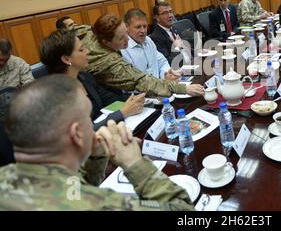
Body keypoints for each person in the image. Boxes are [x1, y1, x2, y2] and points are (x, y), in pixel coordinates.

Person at [0, 75, 194, 210]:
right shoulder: (100, 205)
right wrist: (135, 164)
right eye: (88, 117)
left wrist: (96, 156)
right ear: (77, 133)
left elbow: (72, 189)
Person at [75, 14, 204, 98]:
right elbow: (141, 81)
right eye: (121, 38)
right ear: (106, 42)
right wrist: (184, 88)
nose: (127, 40)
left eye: (126, 33)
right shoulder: (110, 61)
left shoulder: (87, 30)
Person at [40, 30, 145, 130]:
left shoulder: (84, 77)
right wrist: (122, 113)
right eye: (81, 50)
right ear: (67, 59)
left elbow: (111, 99)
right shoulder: (55, 96)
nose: (88, 51)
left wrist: (138, 99)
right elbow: (81, 132)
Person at [121, 8, 181, 81]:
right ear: (126, 27)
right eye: (138, 27)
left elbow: (162, 62)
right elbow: (132, 80)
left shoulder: (148, 41)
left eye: (145, 26)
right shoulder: (123, 49)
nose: (143, 31)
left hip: (160, 86)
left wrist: (166, 75)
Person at [150, 2, 191, 66]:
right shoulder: (155, 37)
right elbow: (167, 63)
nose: (170, 15)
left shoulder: (175, 29)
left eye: (170, 12)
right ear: (157, 18)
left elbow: (185, 48)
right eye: (165, 13)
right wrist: (176, 47)